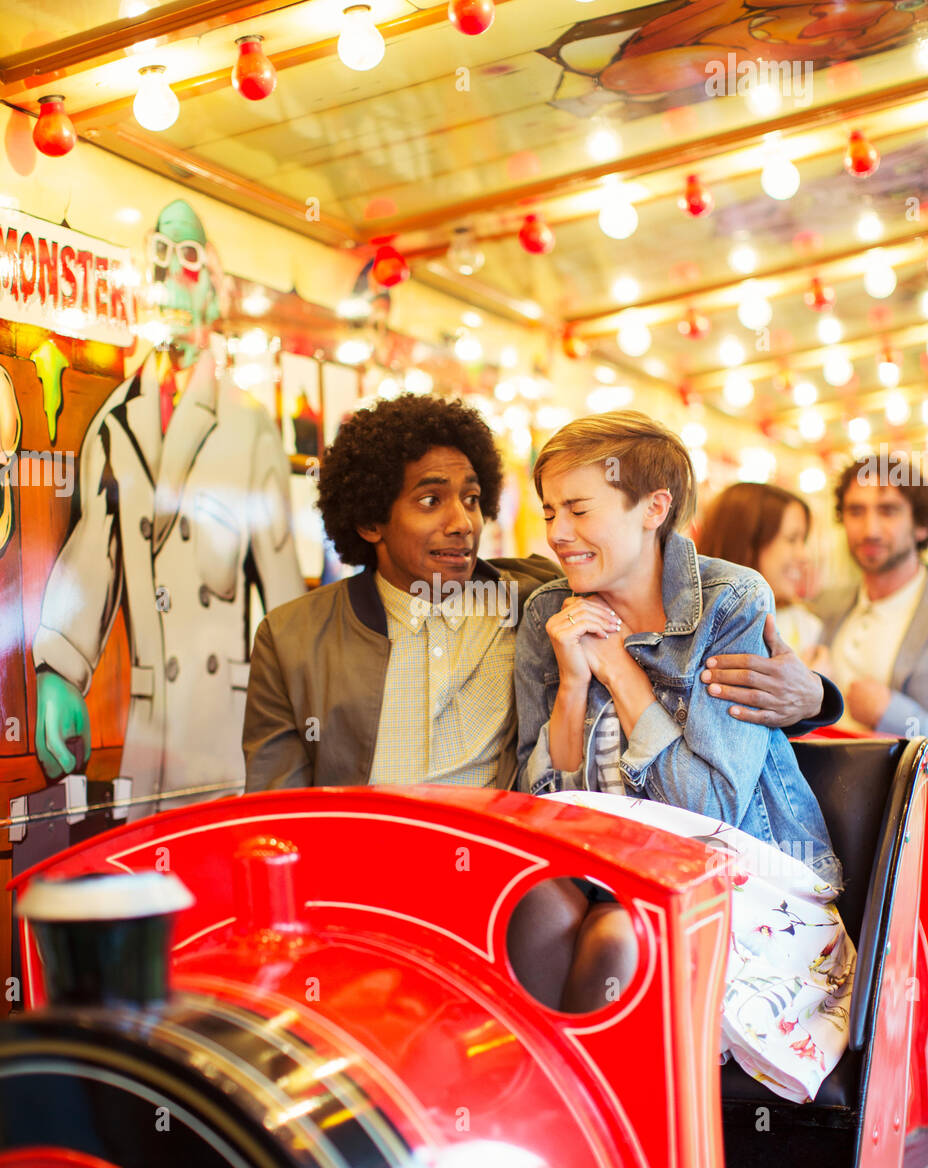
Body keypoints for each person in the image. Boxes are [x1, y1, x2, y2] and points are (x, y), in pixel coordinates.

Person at [512, 411, 854, 1103]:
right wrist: (572, 683)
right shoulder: (548, 609)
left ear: (654, 508)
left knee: (621, 934)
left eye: (578, 509)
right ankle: (544, 1128)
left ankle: (619, 1143)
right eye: (549, 511)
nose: (557, 533)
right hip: (597, 866)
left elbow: (707, 810)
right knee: (533, 906)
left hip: (734, 878)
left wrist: (619, 671)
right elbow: (539, 800)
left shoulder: (729, 600)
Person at [242, 395, 836, 793]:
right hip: (362, 877)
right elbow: (273, 813)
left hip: (503, 870)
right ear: (370, 520)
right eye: (430, 501)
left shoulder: (529, 597)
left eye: (472, 500)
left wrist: (813, 696)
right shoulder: (293, 638)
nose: (462, 523)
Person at [33, 200, 305, 815]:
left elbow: (285, 600)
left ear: (212, 290)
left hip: (228, 726)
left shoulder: (249, 427)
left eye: (187, 259)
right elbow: (93, 556)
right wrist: (57, 673)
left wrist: (301, 729)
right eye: (158, 256)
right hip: (151, 730)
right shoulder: (116, 422)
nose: (169, 275)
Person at [812, 453, 928, 737]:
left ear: (921, 525)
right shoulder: (823, 606)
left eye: (888, 511)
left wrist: (892, 714)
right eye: (856, 511)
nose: (870, 530)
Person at [698, 482, 822, 655]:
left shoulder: (806, 627)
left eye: (804, 540)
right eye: (792, 539)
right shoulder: (688, 626)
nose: (804, 556)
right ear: (747, 544)